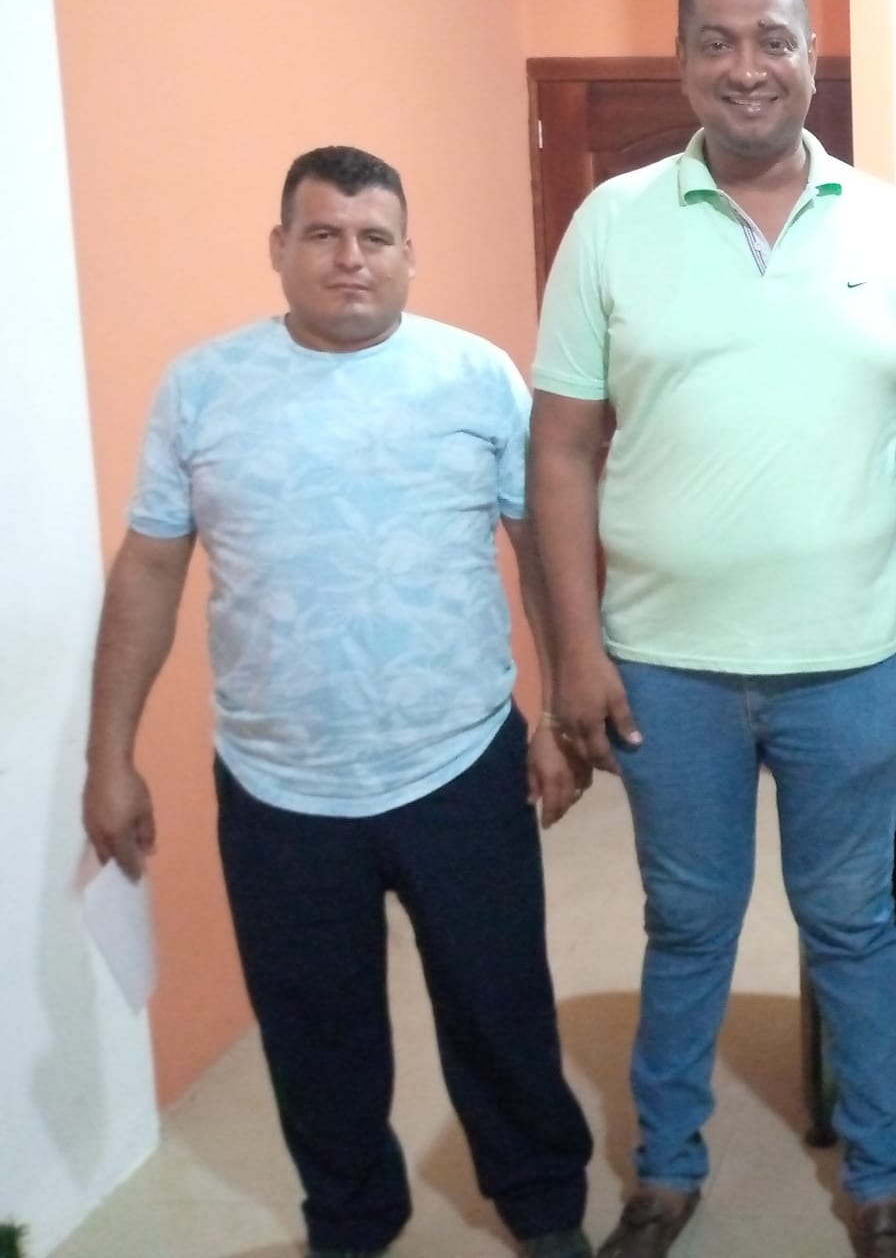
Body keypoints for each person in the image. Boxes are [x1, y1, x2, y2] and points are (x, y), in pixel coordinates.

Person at [527, 0, 896, 1258]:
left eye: (771, 39)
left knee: (852, 926)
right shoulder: (612, 223)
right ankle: (666, 1170)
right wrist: (573, 654)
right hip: (667, 665)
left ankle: (879, 1181)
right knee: (688, 924)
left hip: (848, 656)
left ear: (812, 56)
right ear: (682, 64)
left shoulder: (890, 227)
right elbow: (561, 451)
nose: (746, 66)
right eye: (715, 42)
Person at [81, 145, 595, 1258]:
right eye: (323, 234)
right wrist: (107, 753)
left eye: (373, 237)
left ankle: (545, 1207)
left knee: (500, 1008)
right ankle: (352, 1222)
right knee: (316, 1035)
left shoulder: (475, 378)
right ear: (280, 249)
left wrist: (559, 712)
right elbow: (149, 570)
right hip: (278, 787)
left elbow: (544, 554)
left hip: (459, 763)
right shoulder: (201, 387)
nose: (350, 258)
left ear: (410, 254)